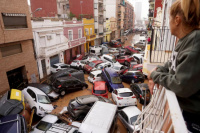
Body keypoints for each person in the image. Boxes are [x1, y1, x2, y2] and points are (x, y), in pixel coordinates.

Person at [148, 0, 200, 132]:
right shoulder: (185, 40)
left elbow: (181, 85)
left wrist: (155, 75)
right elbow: (171, 63)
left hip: (193, 118)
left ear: (177, 20)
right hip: (185, 111)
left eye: (169, 18)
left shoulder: (194, 43)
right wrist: (159, 70)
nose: (168, 22)